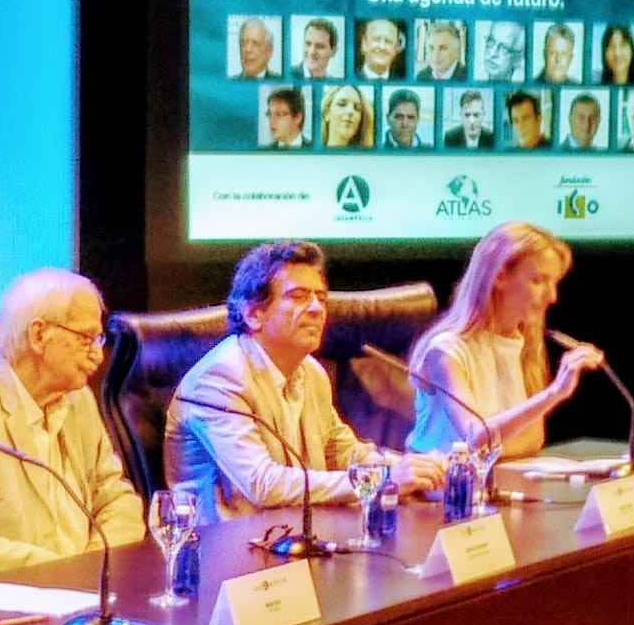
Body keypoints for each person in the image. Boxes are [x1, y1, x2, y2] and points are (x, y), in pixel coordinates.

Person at [164, 241, 445, 524]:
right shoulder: (219, 378)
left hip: (292, 531)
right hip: (222, 542)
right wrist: (383, 479)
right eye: (298, 297)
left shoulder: (310, 371)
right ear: (253, 314)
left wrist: (412, 468)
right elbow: (263, 484)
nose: (316, 308)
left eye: (321, 298)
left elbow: (342, 452)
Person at [0, 268, 145, 572]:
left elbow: (118, 500)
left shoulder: (79, 399)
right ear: (39, 335)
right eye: (86, 339)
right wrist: (58, 571)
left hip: (82, 586)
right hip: (4, 592)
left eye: (98, 339)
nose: (98, 356)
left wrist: (90, 566)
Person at [405, 223, 605, 458]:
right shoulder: (446, 350)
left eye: (554, 283)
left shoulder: (524, 344)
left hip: (495, 474)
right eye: (538, 280)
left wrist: (490, 452)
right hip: (439, 479)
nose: (552, 297)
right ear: (499, 276)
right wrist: (554, 393)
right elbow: (476, 436)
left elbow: (533, 439)